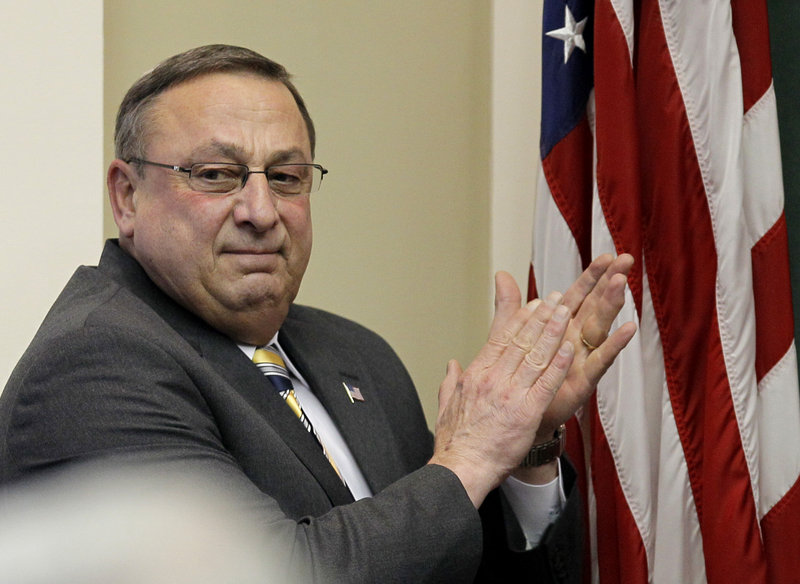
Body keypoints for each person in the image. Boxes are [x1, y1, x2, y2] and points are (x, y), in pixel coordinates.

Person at [0, 45, 636, 583]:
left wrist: (526, 446)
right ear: (127, 195)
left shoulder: (355, 353)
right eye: (218, 175)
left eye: (286, 176)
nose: (260, 210)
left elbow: (443, 561)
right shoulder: (94, 364)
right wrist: (470, 457)